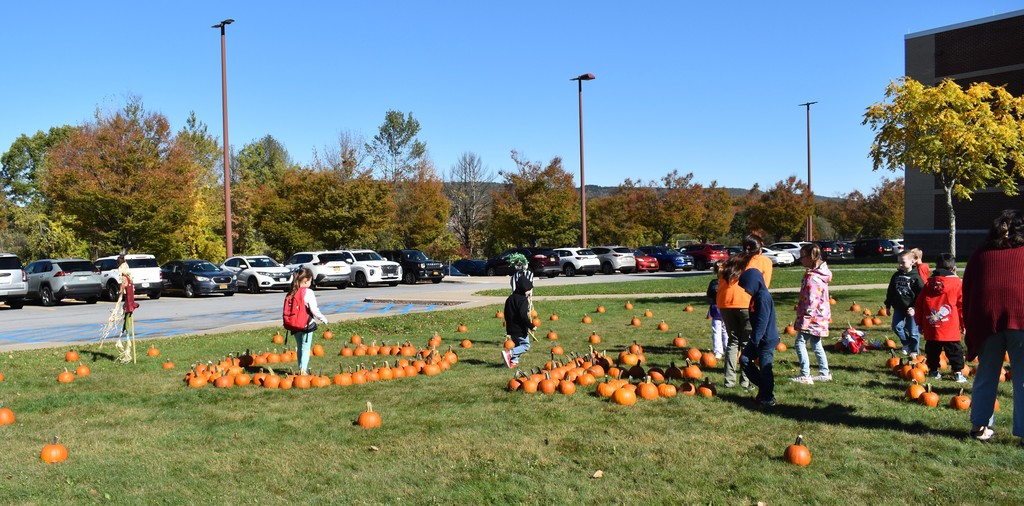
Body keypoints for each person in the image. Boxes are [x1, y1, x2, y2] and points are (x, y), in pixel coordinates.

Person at [963, 209, 1024, 443]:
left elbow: (967, 289)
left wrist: (969, 321)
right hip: (1021, 317)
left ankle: (979, 426)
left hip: (986, 319)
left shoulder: (981, 253)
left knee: (987, 373)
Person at [718, 234, 773, 389]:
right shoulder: (763, 261)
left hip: (725, 302)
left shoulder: (733, 259)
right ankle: (746, 381)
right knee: (747, 343)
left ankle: (729, 381)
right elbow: (763, 287)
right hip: (746, 302)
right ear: (761, 246)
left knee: (733, 341)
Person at [914, 253, 966, 383]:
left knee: (932, 350)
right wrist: (964, 323)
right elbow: (962, 305)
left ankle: (933, 371)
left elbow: (919, 304)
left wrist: (919, 322)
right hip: (950, 327)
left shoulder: (928, 284)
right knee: (954, 351)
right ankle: (958, 372)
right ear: (953, 269)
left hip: (931, 325)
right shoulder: (957, 284)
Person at [736, 267, 779, 407]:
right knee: (744, 360)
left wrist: (754, 342)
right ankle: (765, 388)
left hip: (765, 340)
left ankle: (768, 398)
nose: (745, 290)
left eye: (746, 286)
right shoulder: (756, 296)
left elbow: (762, 322)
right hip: (756, 339)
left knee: (765, 368)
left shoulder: (763, 297)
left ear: (754, 283)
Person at [791, 243, 832, 385]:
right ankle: (824, 372)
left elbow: (812, 302)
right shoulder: (820, 273)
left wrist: (805, 321)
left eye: (802, 257)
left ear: (811, 257)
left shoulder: (812, 278)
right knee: (816, 343)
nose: (800, 259)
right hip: (821, 316)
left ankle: (805, 374)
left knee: (800, 343)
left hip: (812, 317)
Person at [285, 268, 328, 375]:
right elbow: (314, 309)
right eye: (310, 280)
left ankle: (300, 367)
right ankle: (303, 370)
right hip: (306, 324)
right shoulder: (308, 292)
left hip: (294, 324)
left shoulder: (292, 291)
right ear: (306, 280)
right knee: (306, 347)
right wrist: (322, 318)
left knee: (299, 347)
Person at [885, 250, 925, 357]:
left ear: (912, 262)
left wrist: (915, 307)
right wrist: (888, 305)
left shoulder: (916, 277)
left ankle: (914, 351)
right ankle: (906, 343)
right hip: (899, 307)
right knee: (896, 327)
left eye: (903, 262)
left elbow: (921, 294)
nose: (900, 264)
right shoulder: (896, 276)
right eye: (899, 262)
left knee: (913, 331)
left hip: (912, 309)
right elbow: (891, 291)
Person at [502, 275, 536, 368]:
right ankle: (510, 353)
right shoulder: (522, 300)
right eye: (528, 290)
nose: (529, 292)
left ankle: (513, 362)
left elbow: (506, 312)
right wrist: (531, 326)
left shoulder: (510, 298)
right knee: (525, 345)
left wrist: (508, 324)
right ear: (523, 289)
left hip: (511, 327)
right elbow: (523, 315)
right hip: (519, 328)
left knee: (518, 344)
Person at [707, 260, 726, 359]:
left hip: (721, 308)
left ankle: (721, 351)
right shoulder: (726, 282)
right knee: (721, 330)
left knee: (720, 330)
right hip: (721, 308)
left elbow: (709, 295)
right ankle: (723, 350)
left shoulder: (715, 283)